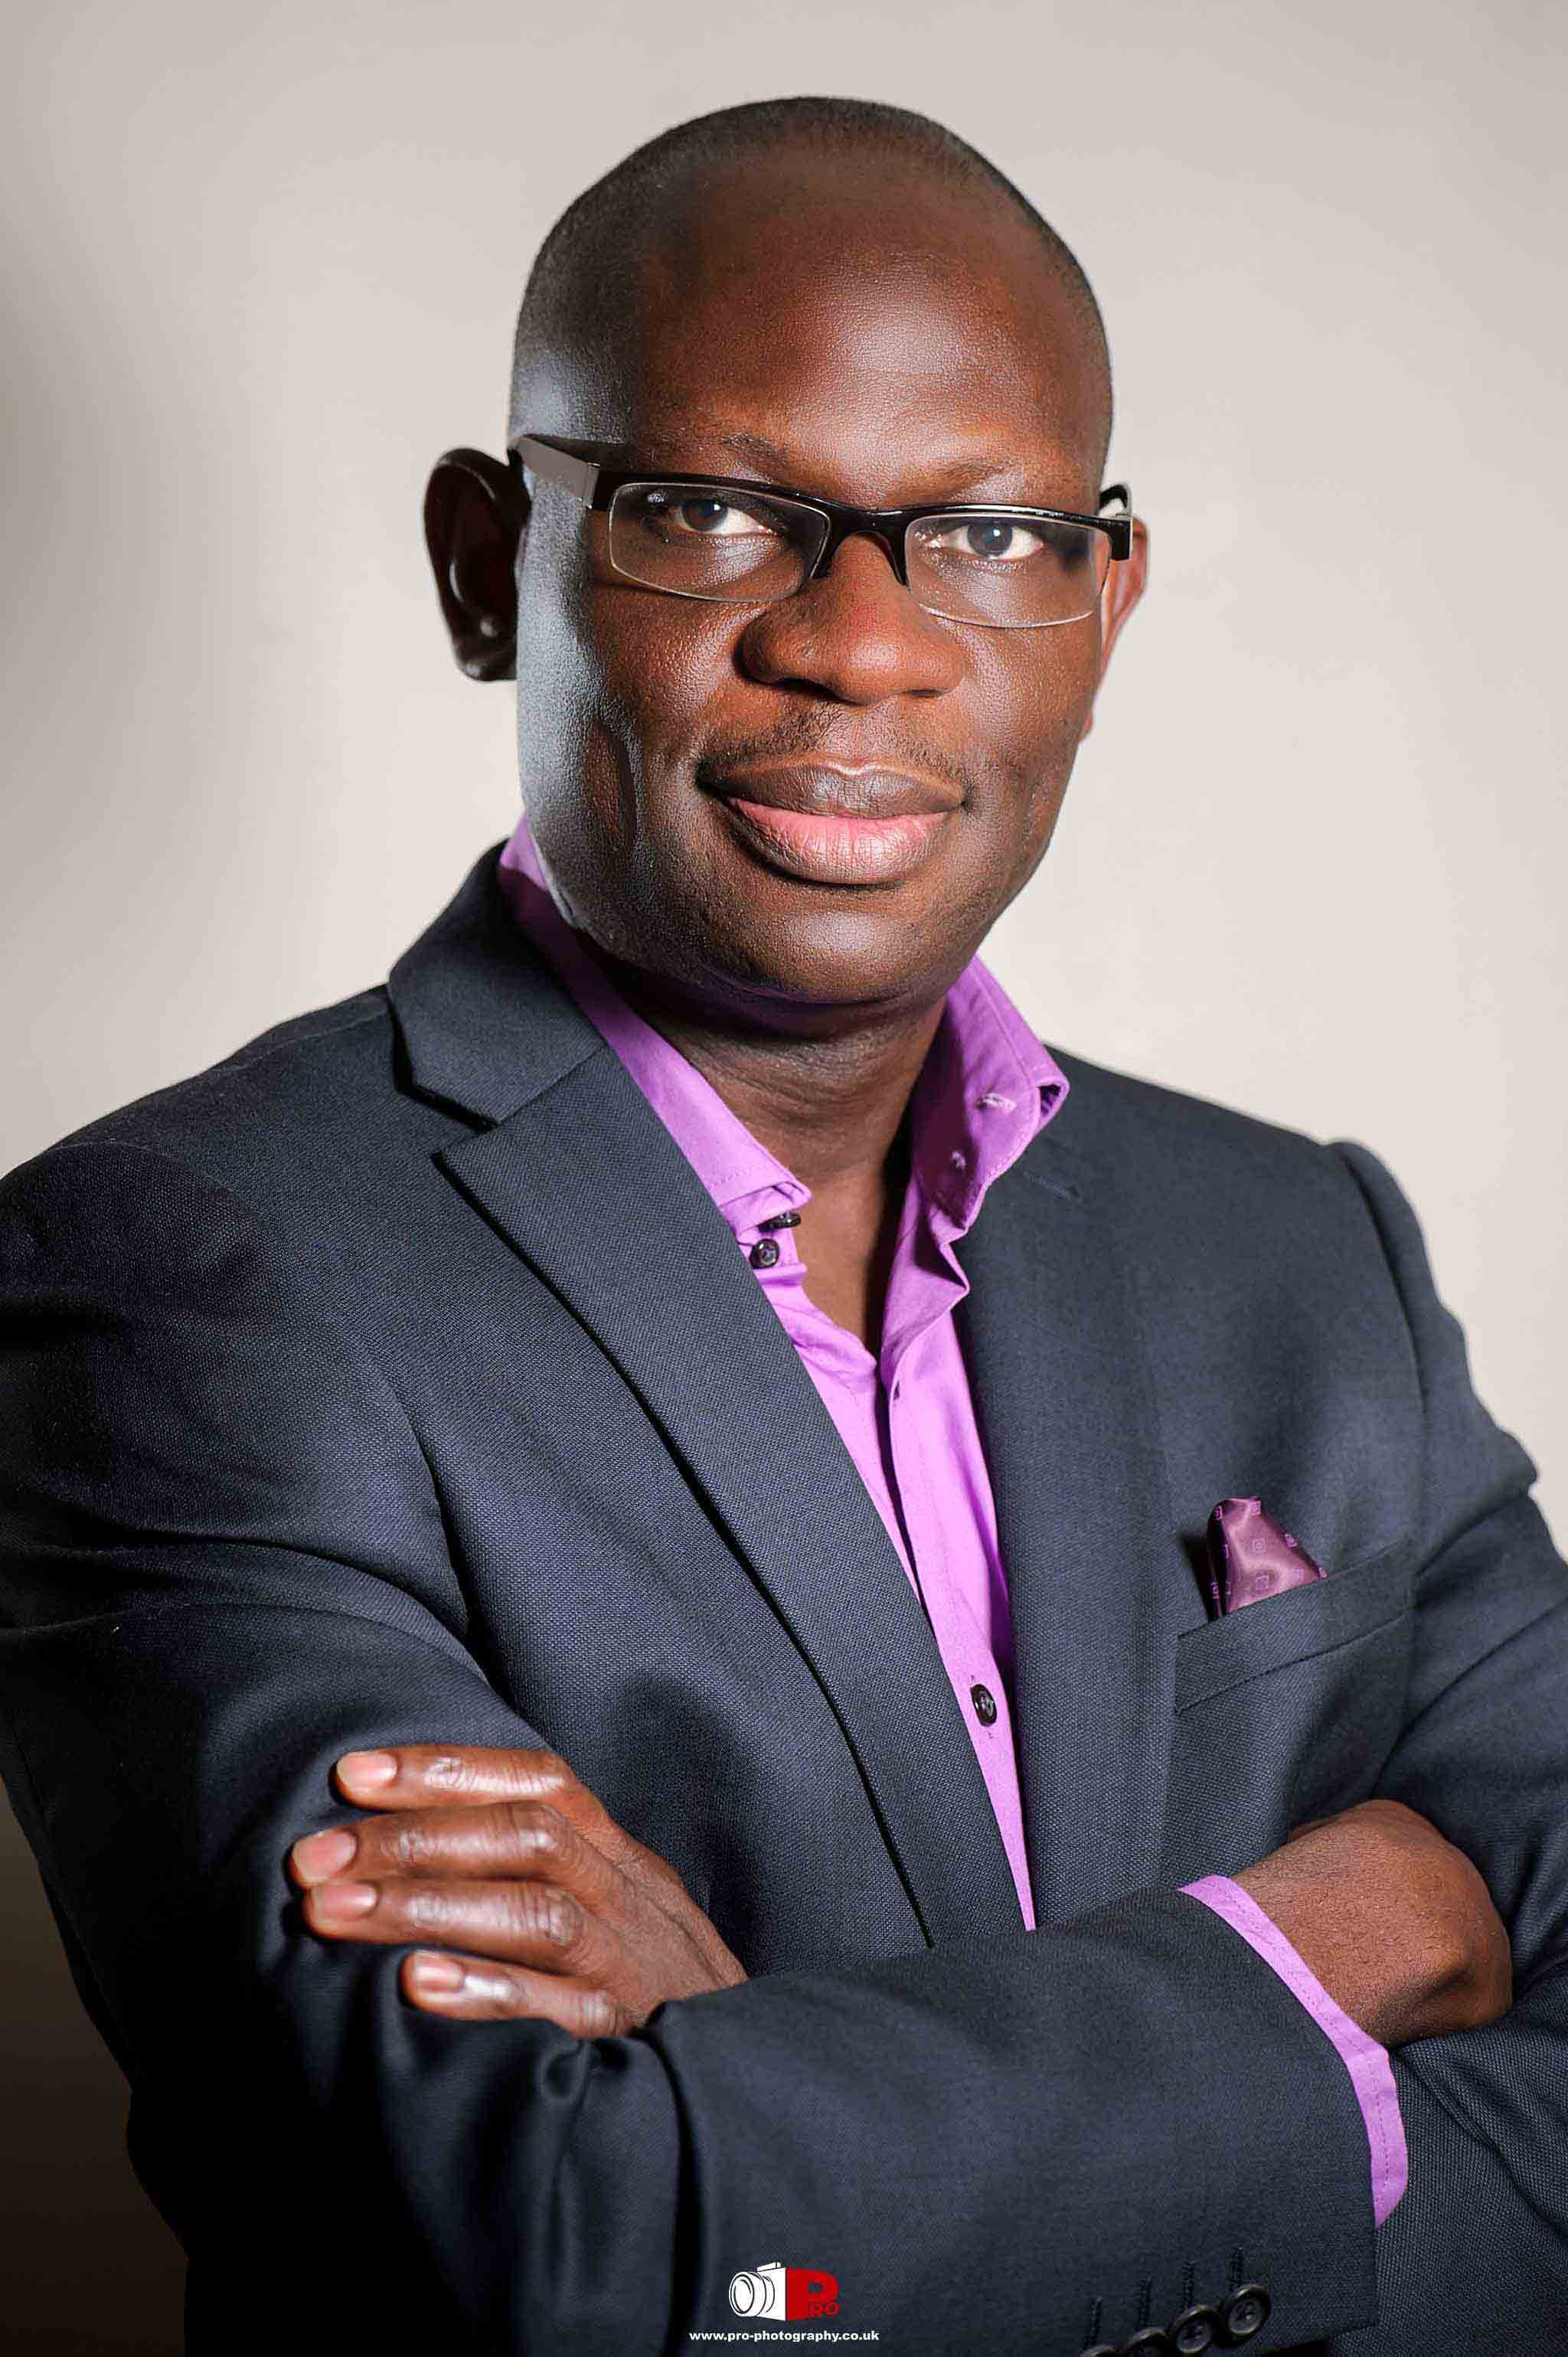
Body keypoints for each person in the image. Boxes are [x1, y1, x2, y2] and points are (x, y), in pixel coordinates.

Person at [0, 94, 1560, 2357]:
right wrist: (1325, 1945)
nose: (864, 646)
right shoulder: (181, 1289)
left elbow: (760, 2275)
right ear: (483, 564)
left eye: (992, 533)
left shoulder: (1300, 1253)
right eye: (711, 512)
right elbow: (567, 2259)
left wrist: (811, 2131)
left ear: (1106, 603)